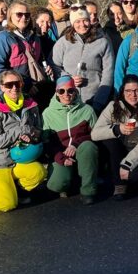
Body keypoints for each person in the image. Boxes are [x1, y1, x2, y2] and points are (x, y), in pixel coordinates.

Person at [0, 70, 46, 212]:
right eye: (9, 85)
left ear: (22, 84)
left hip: (19, 159)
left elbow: (38, 131)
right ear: (2, 87)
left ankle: (16, 191)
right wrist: (20, 131)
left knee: (39, 172)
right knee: (7, 205)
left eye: (17, 83)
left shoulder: (31, 105)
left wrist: (31, 136)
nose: (14, 88)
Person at [92, 74, 138, 200]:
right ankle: (119, 185)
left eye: (136, 90)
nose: (133, 95)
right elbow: (95, 134)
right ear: (122, 92)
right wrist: (117, 129)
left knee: (135, 179)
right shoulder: (113, 106)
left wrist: (127, 164)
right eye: (128, 91)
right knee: (110, 140)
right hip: (119, 149)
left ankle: (131, 175)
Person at [42, 75, 99, 205]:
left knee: (88, 146)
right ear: (56, 92)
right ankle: (72, 180)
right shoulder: (47, 113)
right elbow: (47, 143)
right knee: (56, 186)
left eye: (70, 90)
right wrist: (60, 157)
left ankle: (88, 190)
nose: (66, 95)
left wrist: (75, 144)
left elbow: (96, 135)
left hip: (82, 152)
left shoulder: (87, 110)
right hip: (60, 154)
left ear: (76, 91)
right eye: (61, 91)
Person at [52, 7, 115, 113]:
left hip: (94, 98)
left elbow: (109, 72)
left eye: (85, 20)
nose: (82, 24)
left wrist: (99, 101)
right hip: (68, 99)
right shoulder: (63, 42)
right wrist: (67, 78)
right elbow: (54, 65)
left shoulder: (103, 41)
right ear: (72, 23)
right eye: (78, 21)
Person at [0, 2, 44, 93]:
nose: (24, 17)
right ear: (10, 16)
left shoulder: (35, 38)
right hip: (10, 91)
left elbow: (39, 61)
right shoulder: (2, 38)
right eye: (19, 14)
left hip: (34, 89)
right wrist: (19, 84)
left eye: (27, 15)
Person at [34, 7, 60, 77]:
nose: (45, 25)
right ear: (35, 21)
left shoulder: (50, 39)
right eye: (42, 21)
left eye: (48, 22)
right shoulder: (31, 39)